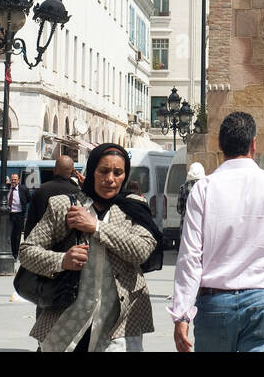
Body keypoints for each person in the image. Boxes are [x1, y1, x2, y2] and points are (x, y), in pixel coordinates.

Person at [171, 113, 264, 353]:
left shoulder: (204, 189)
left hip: (215, 303)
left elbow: (190, 257)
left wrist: (182, 314)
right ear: (254, 143)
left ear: (219, 145)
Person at [21, 144, 160, 352]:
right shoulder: (65, 206)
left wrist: (96, 227)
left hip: (117, 327)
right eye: (103, 171)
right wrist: (61, 261)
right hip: (67, 324)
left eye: (118, 172)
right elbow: (27, 251)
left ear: (125, 176)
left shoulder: (133, 208)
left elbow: (141, 249)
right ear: (92, 170)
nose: (110, 179)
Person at [25, 155, 80, 236]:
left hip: (43, 239)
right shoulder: (77, 191)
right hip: (68, 243)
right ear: (72, 171)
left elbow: (31, 221)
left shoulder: (40, 190)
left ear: (54, 170)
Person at [5, 172, 29, 259]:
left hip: (19, 215)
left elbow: (28, 199)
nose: (13, 181)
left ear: (18, 181)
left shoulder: (23, 189)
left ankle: (15, 254)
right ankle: (10, 251)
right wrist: (4, 182)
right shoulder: (6, 188)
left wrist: (24, 206)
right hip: (9, 215)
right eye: (12, 180)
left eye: (15, 180)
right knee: (9, 234)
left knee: (17, 235)